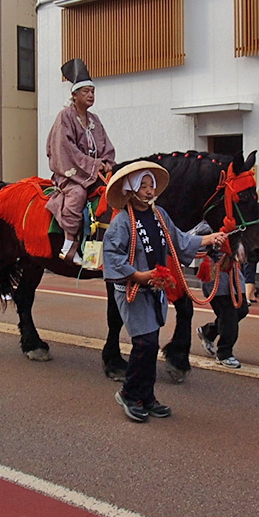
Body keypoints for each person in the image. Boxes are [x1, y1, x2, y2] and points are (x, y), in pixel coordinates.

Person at [103, 162, 227, 422]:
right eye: (143, 187)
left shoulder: (160, 215)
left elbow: (179, 241)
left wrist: (210, 238)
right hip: (133, 290)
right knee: (144, 343)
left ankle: (146, 397)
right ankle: (129, 394)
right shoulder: (122, 222)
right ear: (131, 190)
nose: (149, 191)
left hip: (155, 288)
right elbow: (113, 257)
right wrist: (139, 275)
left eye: (151, 186)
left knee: (150, 345)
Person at [46, 57, 115, 265]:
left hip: (93, 172)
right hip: (70, 173)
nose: (91, 95)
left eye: (93, 92)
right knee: (77, 194)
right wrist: (93, 165)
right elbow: (65, 150)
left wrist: (106, 162)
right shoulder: (64, 117)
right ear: (74, 94)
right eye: (86, 91)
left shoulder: (95, 119)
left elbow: (106, 146)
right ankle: (69, 244)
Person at [194, 221, 250, 369]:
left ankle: (209, 332)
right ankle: (225, 353)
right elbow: (197, 242)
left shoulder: (237, 221)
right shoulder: (206, 225)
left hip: (233, 271)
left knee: (242, 309)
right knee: (228, 313)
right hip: (216, 270)